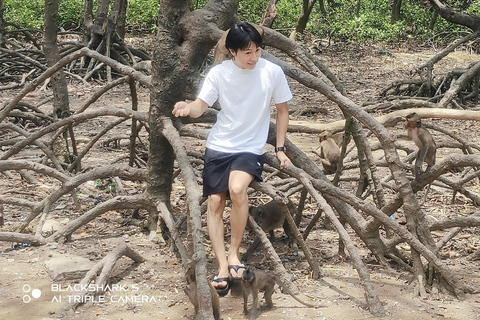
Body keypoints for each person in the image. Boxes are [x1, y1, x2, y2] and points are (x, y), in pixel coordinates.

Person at [172, 21, 292, 296]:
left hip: (250, 147)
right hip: (219, 144)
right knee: (215, 201)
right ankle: (222, 265)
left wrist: (280, 148)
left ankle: (235, 254)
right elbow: (200, 106)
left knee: (237, 189)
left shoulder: (272, 72)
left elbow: (283, 111)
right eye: (247, 52)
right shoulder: (219, 73)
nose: (254, 58)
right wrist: (186, 107)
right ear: (232, 51)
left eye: (257, 51)